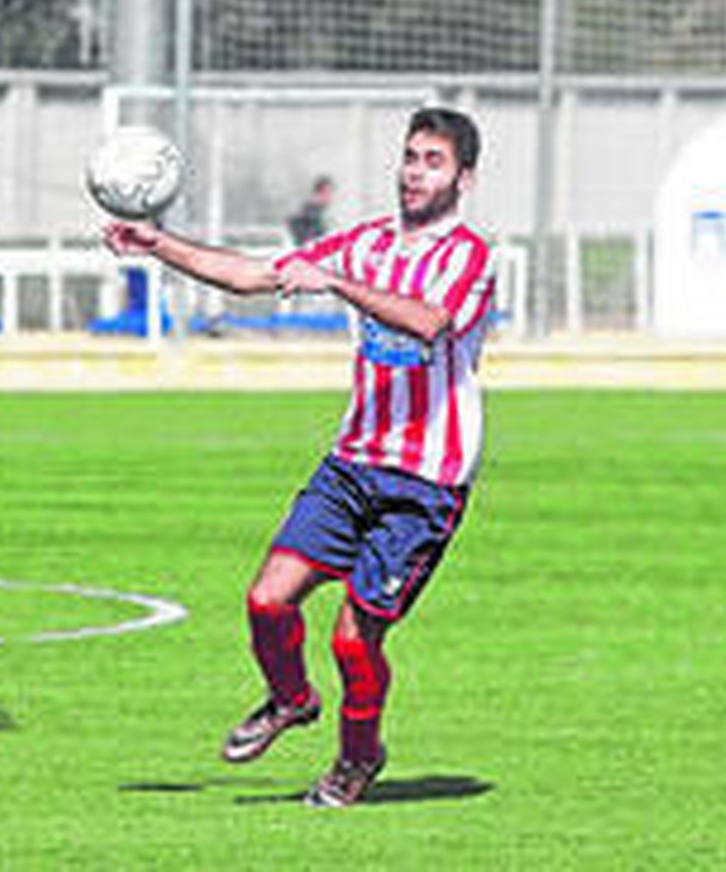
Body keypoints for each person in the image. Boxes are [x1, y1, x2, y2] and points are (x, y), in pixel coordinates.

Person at [103, 108, 493, 807]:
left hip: (425, 482)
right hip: (353, 461)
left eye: (432, 160)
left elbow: (428, 322)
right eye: (409, 156)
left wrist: (338, 285)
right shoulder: (366, 242)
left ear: (463, 178)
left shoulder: (468, 255)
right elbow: (252, 275)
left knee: (354, 639)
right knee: (266, 598)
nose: (414, 171)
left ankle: (357, 759)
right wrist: (158, 243)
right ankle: (290, 699)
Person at [286, 175, 334, 247]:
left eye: (330, 193)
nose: (329, 196)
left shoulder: (319, 211)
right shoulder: (310, 210)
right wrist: (309, 241)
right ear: (318, 193)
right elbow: (293, 221)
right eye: (327, 192)